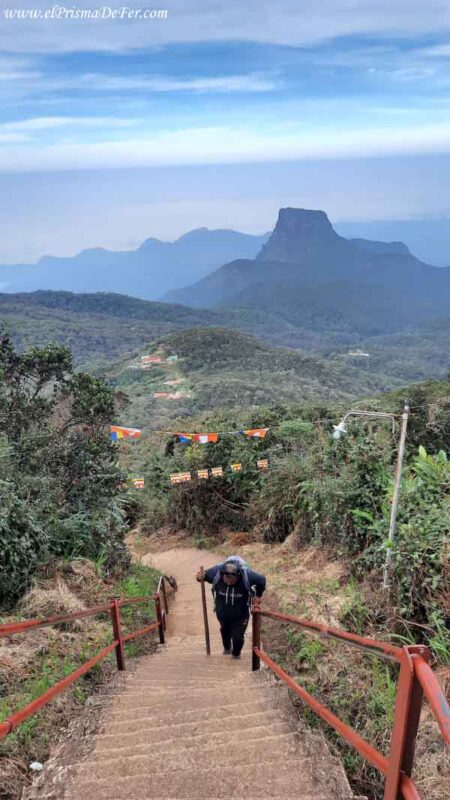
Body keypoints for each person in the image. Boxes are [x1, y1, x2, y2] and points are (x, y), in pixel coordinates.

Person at [196, 558, 266, 659]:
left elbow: (262, 580)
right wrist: (199, 577)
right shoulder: (216, 572)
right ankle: (227, 648)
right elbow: (201, 576)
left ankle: (236, 655)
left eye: (231, 580)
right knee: (225, 631)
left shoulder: (247, 575)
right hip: (222, 613)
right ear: (222, 574)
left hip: (240, 615)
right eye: (226, 579)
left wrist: (258, 595)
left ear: (238, 576)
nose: (228, 582)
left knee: (238, 637)